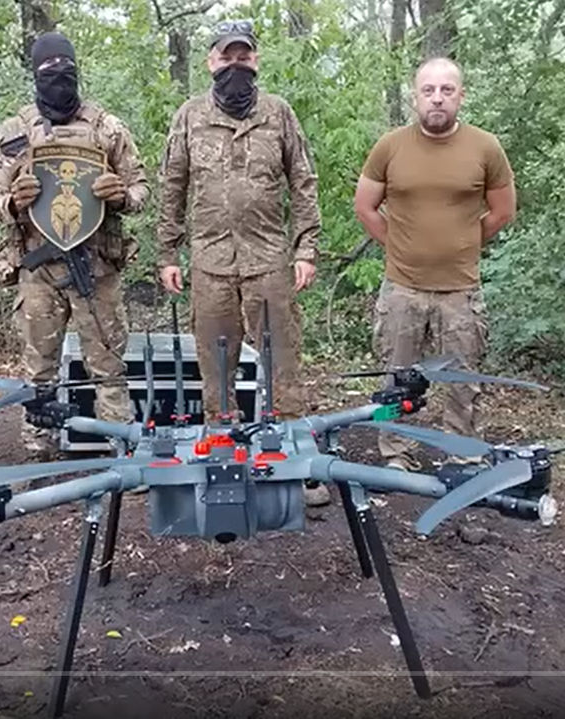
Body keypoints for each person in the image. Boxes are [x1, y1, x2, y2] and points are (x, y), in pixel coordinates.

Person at [156, 20, 328, 506]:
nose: (235, 65)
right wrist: (168, 254)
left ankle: (295, 464)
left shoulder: (279, 113)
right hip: (210, 262)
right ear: (211, 62)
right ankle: (222, 460)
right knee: (216, 367)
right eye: (226, 57)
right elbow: (172, 186)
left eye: (243, 57)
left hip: (268, 260)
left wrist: (306, 249)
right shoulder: (189, 116)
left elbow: (303, 182)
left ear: (255, 60)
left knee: (282, 363)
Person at [0, 31, 149, 460]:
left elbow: (141, 189)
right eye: (48, 68)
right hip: (37, 269)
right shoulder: (15, 132)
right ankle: (39, 453)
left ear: (77, 70)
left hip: (97, 267)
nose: (58, 74)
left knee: (109, 367)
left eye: (65, 66)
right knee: (39, 372)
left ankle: (122, 452)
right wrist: (12, 202)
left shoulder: (107, 128)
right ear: (34, 74)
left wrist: (122, 196)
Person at [353, 56, 517, 472]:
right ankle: (396, 455)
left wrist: (463, 244)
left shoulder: (485, 147)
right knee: (396, 378)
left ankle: (462, 456)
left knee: (463, 382)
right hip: (402, 288)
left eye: (447, 90)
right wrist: (398, 244)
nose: (437, 98)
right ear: (416, 97)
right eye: (429, 91)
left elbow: (502, 211)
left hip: (460, 291)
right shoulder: (390, 146)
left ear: (461, 95)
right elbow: (366, 207)